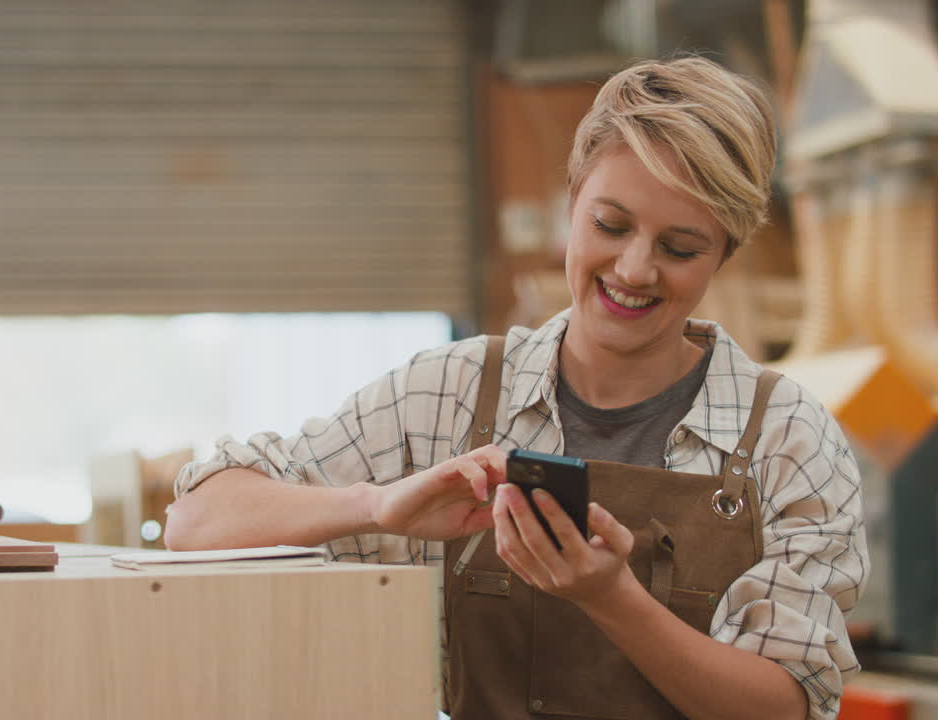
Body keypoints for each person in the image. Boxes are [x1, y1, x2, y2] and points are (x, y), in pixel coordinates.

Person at [165, 56, 868, 720]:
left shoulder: (786, 436)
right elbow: (195, 523)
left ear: (725, 253)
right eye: (610, 224)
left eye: (679, 248)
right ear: (573, 201)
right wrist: (377, 505)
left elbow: (787, 705)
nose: (634, 269)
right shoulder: (453, 392)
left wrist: (612, 598)